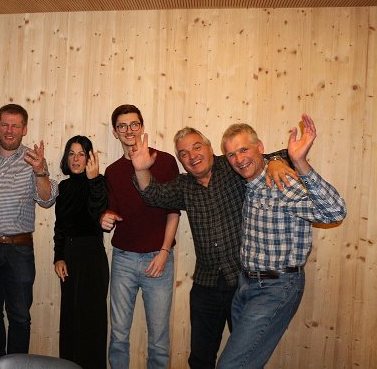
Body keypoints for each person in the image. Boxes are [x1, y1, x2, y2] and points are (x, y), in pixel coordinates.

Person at [130, 128, 294, 368]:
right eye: (183, 153)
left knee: (245, 359)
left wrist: (276, 161)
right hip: (205, 285)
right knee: (200, 358)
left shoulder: (232, 165)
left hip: (243, 280)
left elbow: (274, 156)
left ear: (209, 147)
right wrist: (141, 169)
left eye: (197, 147)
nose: (192, 156)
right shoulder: (184, 185)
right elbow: (153, 195)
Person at [216, 115, 346, 368]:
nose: (239, 159)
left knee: (231, 365)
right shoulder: (249, 185)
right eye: (231, 154)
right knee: (249, 361)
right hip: (245, 285)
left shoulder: (282, 183)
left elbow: (335, 212)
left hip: (276, 287)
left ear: (260, 147)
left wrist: (299, 163)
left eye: (244, 150)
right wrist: (276, 159)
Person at [0, 104, 58, 368]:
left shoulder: (34, 159)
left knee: (20, 316)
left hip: (19, 250)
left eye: (15, 126)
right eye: (5, 124)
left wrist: (40, 171)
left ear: (24, 129)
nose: (9, 130)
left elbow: (47, 200)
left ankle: (17, 366)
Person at [98, 104, 180, 369]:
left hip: (159, 259)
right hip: (123, 259)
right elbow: (113, 211)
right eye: (122, 126)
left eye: (134, 124)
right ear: (115, 132)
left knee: (159, 340)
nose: (129, 130)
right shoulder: (112, 171)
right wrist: (105, 217)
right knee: (119, 336)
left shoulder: (165, 161)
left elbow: (174, 212)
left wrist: (164, 252)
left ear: (142, 127)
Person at [53, 136, 109, 368]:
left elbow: (98, 213)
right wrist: (58, 257)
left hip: (92, 257)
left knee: (92, 322)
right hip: (69, 257)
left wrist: (94, 180)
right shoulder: (64, 187)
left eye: (81, 154)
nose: (76, 159)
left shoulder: (99, 182)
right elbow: (60, 227)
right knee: (70, 319)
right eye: (71, 154)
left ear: (89, 158)